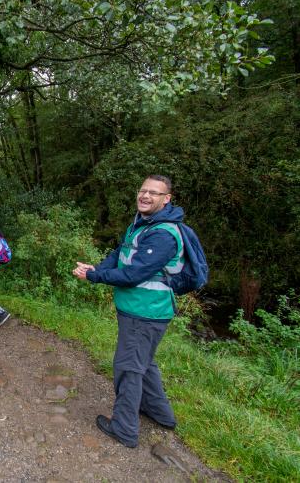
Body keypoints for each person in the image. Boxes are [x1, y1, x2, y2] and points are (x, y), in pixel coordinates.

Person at [73, 175, 182, 449]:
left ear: (166, 199)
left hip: (146, 313)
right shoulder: (142, 225)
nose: (145, 196)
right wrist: (96, 269)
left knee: (128, 368)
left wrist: (95, 278)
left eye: (154, 193)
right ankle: (160, 413)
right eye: (143, 190)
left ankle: (124, 428)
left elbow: (133, 273)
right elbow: (120, 253)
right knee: (144, 363)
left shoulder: (163, 234)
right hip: (138, 310)